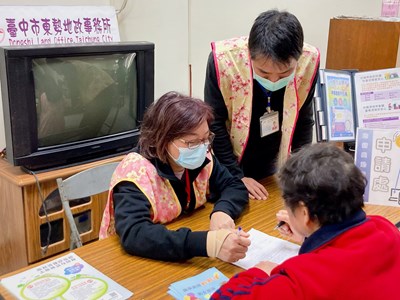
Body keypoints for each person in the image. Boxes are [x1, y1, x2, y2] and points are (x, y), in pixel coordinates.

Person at [211, 143, 400, 299]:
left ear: (304, 213)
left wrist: (261, 271)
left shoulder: (300, 281)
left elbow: (223, 297)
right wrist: (309, 237)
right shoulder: (386, 228)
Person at [99, 91, 251, 262]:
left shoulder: (203, 157)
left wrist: (222, 211)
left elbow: (234, 186)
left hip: (176, 238)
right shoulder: (135, 173)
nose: (202, 147)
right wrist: (207, 243)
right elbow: (135, 234)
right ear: (162, 139)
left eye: (206, 138)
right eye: (192, 142)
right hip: (130, 261)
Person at [204, 10, 320, 200]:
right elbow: (214, 123)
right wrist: (235, 176)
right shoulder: (225, 61)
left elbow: (304, 120)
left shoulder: (308, 61)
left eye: (284, 74)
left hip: (270, 162)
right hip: (227, 161)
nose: (274, 80)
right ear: (250, 55)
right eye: (264, 74)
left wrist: (301, 173)